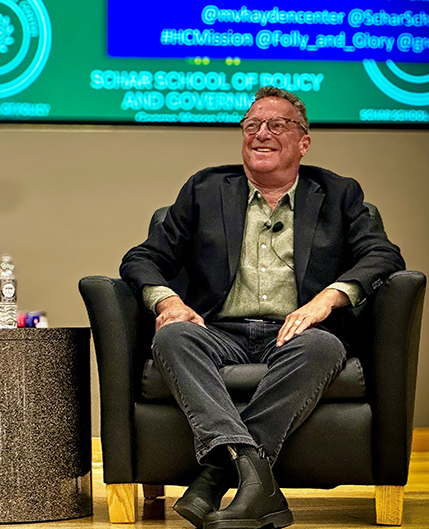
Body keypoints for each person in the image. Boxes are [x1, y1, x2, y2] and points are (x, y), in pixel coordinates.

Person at [119, 86, 405, 529]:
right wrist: (169, 301)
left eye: (277, 125)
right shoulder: (205, 188)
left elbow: (383, 255)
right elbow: (142, 257)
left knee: (323, 348)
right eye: (251, 125)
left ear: (303, 142)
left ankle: (215, 475)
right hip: (219, 331)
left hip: (295, 335)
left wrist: (327, 298)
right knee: (173, 336)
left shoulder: (339, 193)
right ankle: (255, 478)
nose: (261, 134)